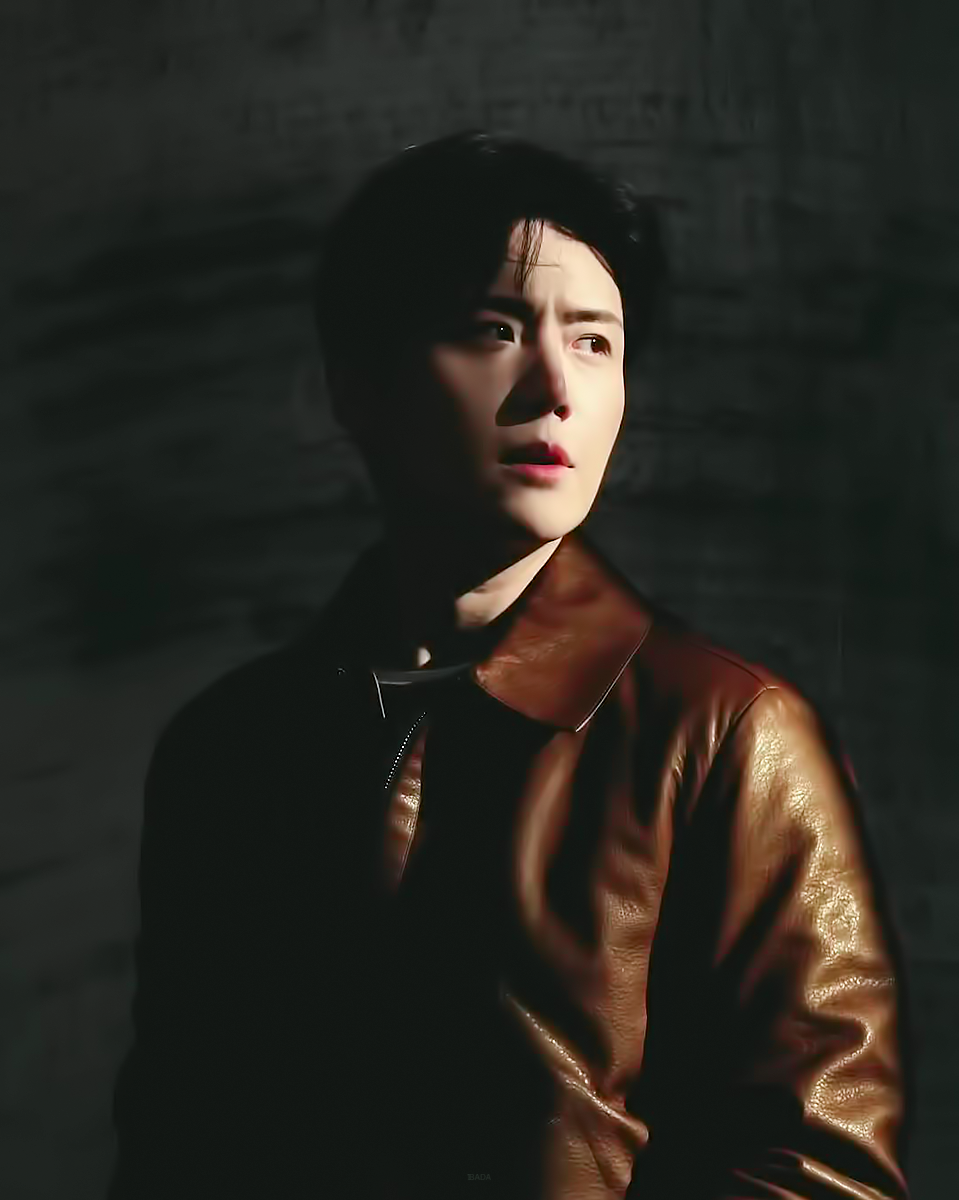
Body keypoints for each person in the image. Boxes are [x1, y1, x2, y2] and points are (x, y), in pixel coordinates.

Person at [108, 131, 911, 1199]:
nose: (554, 388)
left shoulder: (725, 732)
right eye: (495, 329)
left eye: (594, 341)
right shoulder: (231, 747)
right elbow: (176, 1142)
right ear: (358, 383)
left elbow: (814, 1169)